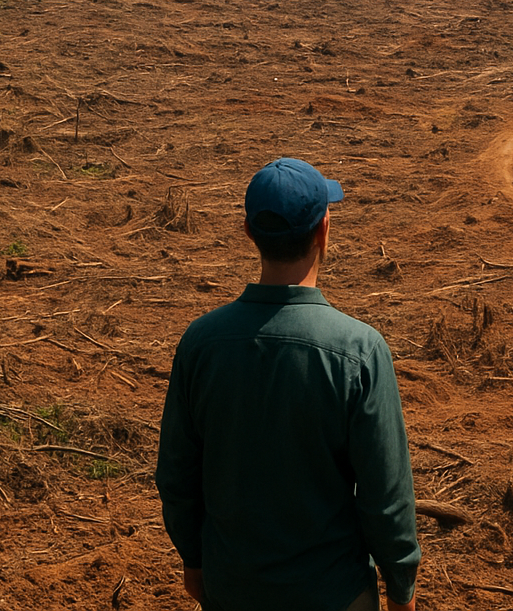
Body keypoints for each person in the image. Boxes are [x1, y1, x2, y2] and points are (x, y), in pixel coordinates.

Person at [156, 157, 421, 611]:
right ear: (324, 231)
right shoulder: (359, 350)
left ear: (248, 232)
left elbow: (177, 475)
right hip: (333, 592)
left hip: (232, 587)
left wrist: (195, 560)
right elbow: (385, 495)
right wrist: (401, 588)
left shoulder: (201, 343)